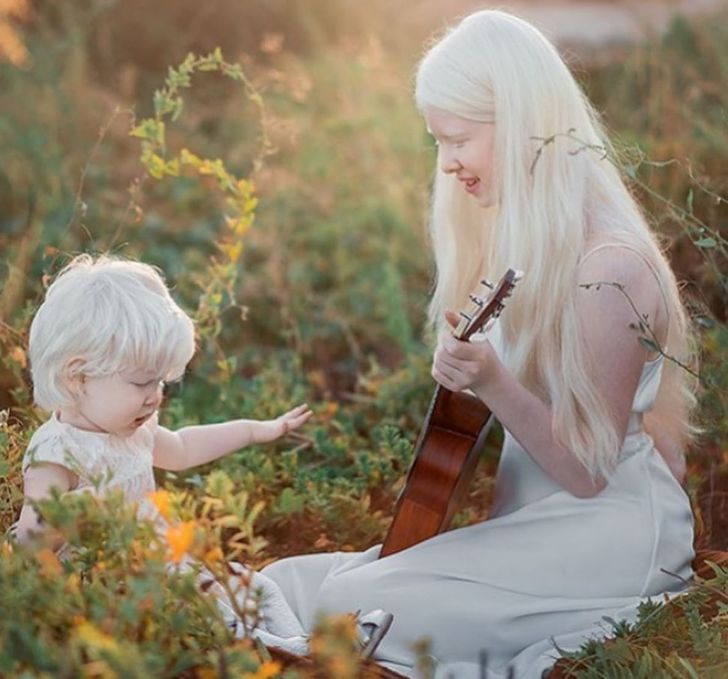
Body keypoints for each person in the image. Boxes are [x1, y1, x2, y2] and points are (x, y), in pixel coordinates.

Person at [259, 9, 698, 678]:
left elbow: (589, 472)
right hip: (544, 525)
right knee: (302, 582)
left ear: (519, 119)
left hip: (608, 535)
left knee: (351, 604)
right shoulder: (528, 242)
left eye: (458, 138)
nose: (447, 164)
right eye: (437, 141)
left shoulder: (609, 267)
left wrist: (492, 379)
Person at [13, 253, 321, 651]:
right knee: (213, 614)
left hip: (166, 563)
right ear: (78, 377)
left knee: (254, 584)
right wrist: (82, 509)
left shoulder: (134, 428)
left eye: (161, 382)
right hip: (112, 585)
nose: (154, 397)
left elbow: (181, 448)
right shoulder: (57, 453)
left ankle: (303, 644)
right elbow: (30, 544)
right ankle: (285, 652)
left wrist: (254, 430)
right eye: (142, 382)